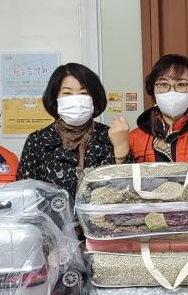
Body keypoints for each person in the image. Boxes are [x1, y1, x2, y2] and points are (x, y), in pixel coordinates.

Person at [17, 63, 131, 196]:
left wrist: (121, 149)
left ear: (94, 98)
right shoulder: (38, 141)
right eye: (67, 93)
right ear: (55, 98)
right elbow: (24, 195)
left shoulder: (111, 136)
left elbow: (131, 192)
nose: (76, 100)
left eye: (84, 93)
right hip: (55, 210)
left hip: (103, 210)